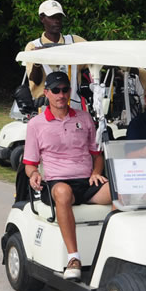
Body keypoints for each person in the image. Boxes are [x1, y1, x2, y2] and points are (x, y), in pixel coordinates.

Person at [22, 72, 110, 280]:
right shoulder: (36, 125)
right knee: (62, 192)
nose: (61, 95)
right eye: (55, 91)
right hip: (57, 183)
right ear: (47, 93)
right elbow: (30, 164)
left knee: (121, 191)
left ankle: (114, 252)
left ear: (69, 92)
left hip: (87, 182)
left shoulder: (84, 117)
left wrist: (96, 172)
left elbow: (96, 154)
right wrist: (34, 174)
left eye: (64, 90)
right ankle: (74, 258)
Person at [24, 0, 87, 109]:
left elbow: (95, 60)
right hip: (45, 107)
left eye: (59, 17)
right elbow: (35, 81)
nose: (57, 21)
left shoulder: (76, 41)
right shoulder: (33, 46)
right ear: (42, 18)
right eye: (52, 17)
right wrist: (37, 59)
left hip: (74, 107)